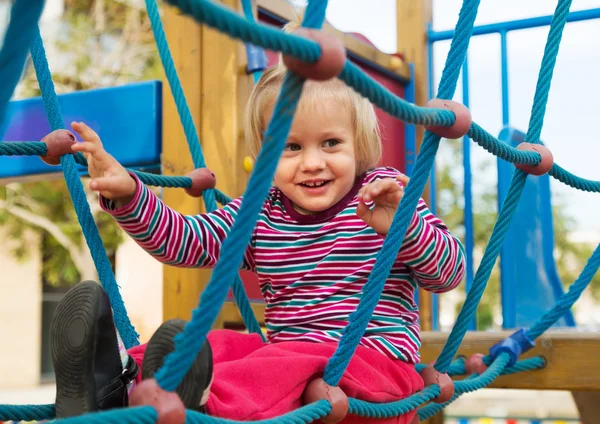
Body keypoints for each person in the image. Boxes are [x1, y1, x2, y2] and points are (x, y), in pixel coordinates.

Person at [50, 59, 465, 423]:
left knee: (277, 365)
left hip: (376, 371)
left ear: (360, 142)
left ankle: (201, 404)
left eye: (331, 143)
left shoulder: (386, 196)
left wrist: (406, 228)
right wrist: (129, 195)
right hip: (292, 371)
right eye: (290, 147)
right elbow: (187, 241)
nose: (312, 162)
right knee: (220, 343)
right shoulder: (260, 211)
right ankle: (112, 382)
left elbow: (450, 274)